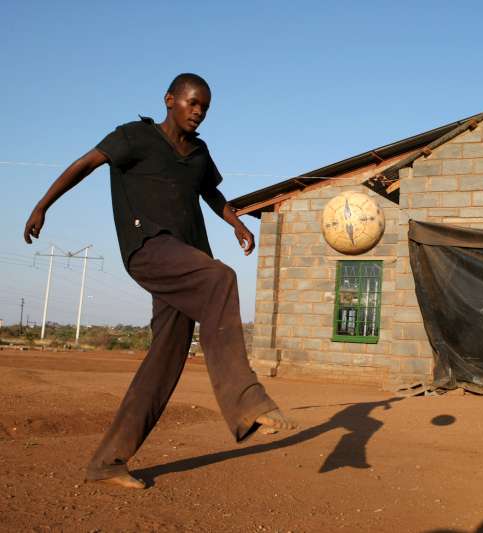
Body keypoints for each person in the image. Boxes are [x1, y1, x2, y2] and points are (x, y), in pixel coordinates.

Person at [23, 73, 296, 489]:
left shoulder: (199, 152)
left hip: (187, 259)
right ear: (170, 100)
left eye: (205, 106)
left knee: (165, 360)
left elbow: (212, 195)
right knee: (221, 279)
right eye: (192, 103)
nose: (199, 111)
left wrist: (236, 224)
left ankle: (108, 461)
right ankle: (245, 399)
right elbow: (84, 165)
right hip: (148, 247)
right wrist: (43, 205)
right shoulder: (133, 137)